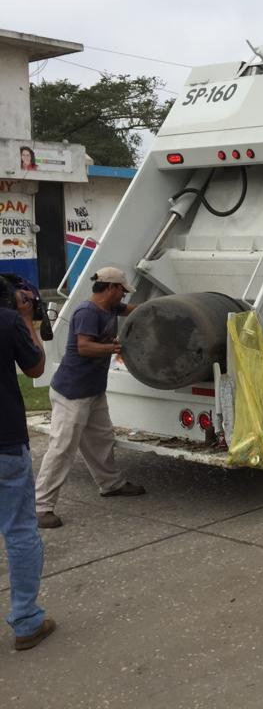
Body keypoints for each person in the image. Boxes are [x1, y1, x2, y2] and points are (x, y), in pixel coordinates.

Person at [35, 267, 146, 529]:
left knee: (101, 438)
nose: (123, 295)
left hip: (93, 390)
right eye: (122, 290)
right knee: (63, 447)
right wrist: (114, 348)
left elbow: (135, 310)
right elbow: (84, 347)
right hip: (71, 393)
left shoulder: (112, 308)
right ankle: (41, 506)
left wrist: (164, 306)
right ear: (111, 288)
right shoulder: (87, 312)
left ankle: (111, 484)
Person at [0, 276, 56, 650]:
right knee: (19, 531)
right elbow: (36, 368)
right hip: (5, 441)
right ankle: (26, 622)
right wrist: (25, 319)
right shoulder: (8, 321)